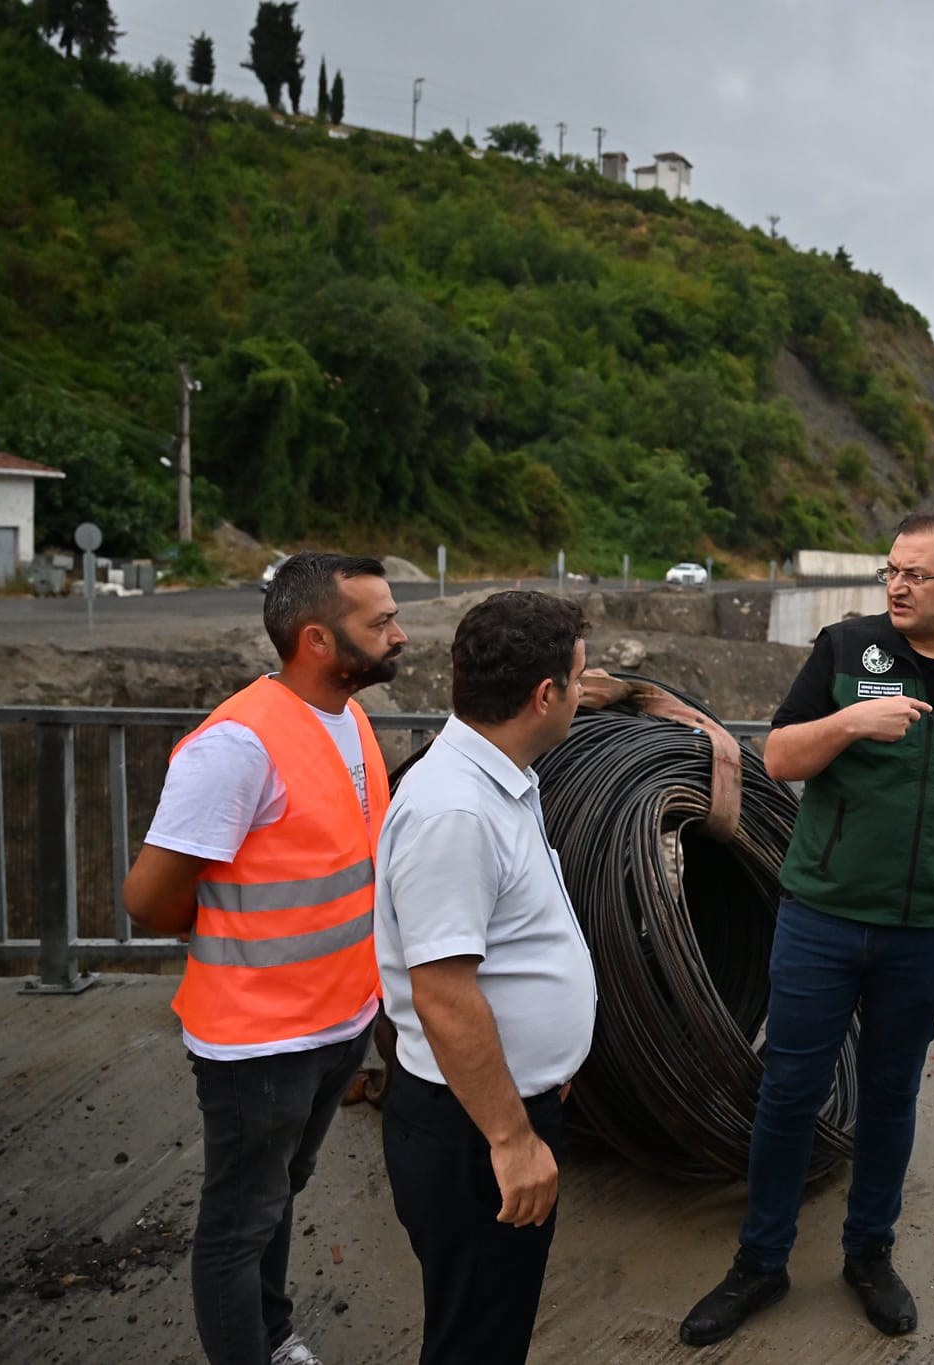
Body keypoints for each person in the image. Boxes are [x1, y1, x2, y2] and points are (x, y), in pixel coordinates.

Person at [679, 512, 934, 1347]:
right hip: (822, 917)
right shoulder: (847, 649)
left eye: (917, 573)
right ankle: (760, 1260)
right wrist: (850, 723)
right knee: (789, 1091)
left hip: (927, 930)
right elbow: (775, 756)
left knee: (890, 1094)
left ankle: (869, 1253)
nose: (898, 586)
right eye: (891, 571)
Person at [122, 552, 407, 1365]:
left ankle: (273, 1334)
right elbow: (149, 899)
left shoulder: (346, 717)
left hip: (336, 1021)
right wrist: (225, 934)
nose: (400, 634)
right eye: (380, 622)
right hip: (259, 1041)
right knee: (237, 1224)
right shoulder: (236, 746)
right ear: (318, 639)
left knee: (277, 1197)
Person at [372, 591, 597, 1365]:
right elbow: (442, 991)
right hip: (472, 1131)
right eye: (578, 676)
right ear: (545, 696)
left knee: (488, 1325)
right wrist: (511, 1137)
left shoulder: (499, 775)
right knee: (476, 1341)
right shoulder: (455, 812)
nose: (583, 688)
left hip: (496, 1104)